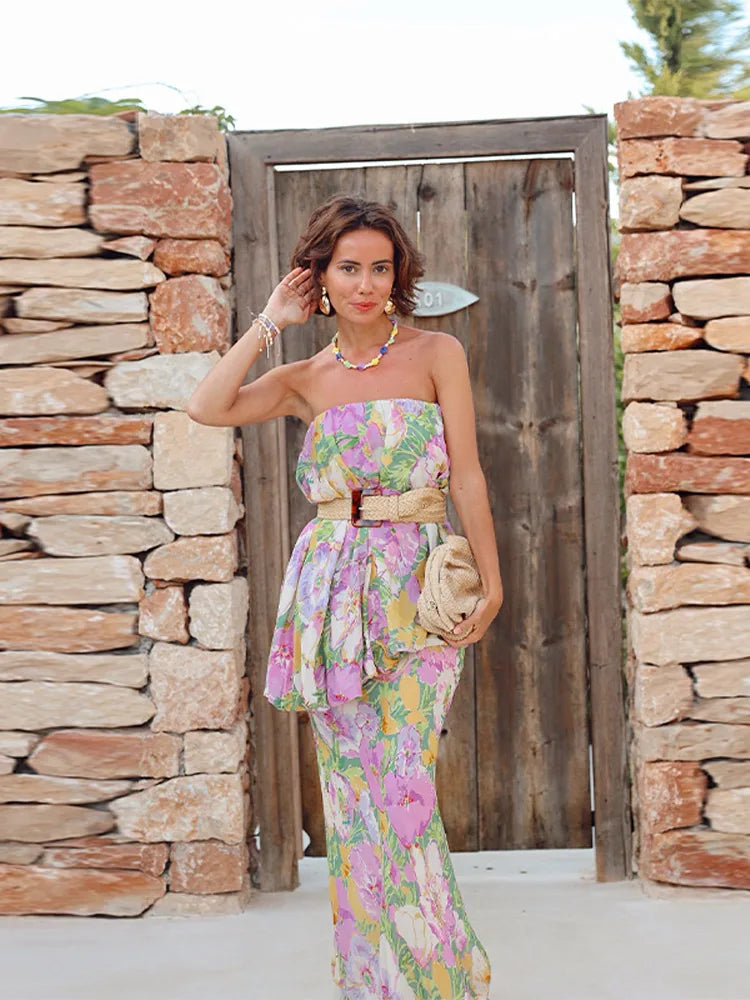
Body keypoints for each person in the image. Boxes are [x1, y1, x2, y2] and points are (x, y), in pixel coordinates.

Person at [187, 194, 503, 999]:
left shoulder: (437, 353)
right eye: (349, 268)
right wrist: (269, 321)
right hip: (332, 592)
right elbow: (207, 405)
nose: (366, 284)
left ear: (399, 276)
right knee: (351, 792)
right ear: (319, 277)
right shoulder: (304, 378)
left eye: (380, 268)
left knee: (403, 781)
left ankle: (438, 977)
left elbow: (467, 474)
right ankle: (374, 981)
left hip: (419, 587)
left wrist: (493, 581)